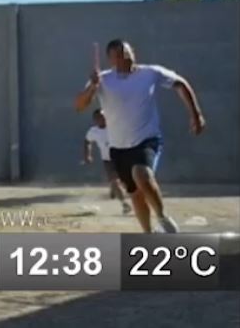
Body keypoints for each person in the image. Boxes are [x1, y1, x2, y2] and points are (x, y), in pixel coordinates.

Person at [75, 39, 206, 234]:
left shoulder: (150, 72)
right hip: (118, 148)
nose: (125, 57)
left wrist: (196, 114)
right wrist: (92, 87)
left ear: (133, 52)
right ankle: (148, 234)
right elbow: (79, 105)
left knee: (141, 173)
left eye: (127, 53)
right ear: (111, 59)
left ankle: (162, 217)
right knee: (136, 194)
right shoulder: (103, 79)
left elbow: (180, 84)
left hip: (147, 139)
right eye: (119, 55)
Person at [82, 109, 131, 215]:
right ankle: (124, 204)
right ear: (94, 120)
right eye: (98, 117)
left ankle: (114, 189)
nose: (101, 119)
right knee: (115, 181)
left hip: (122, 157)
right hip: (108, 160)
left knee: (124, 181)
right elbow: (87, 141)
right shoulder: (93, 131)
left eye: (103, 116)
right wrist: (87, 155)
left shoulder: (115, 127)